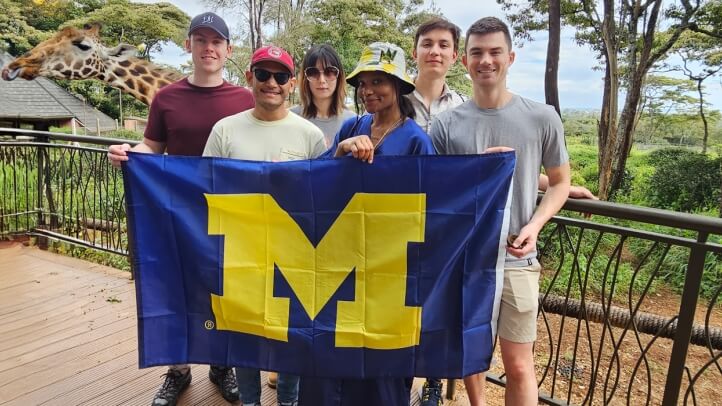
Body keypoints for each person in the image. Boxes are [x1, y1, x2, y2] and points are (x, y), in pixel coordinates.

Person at [107, 12, 253, 406]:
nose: (209, 48)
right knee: (175, 289)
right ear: (188, 45)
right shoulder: (166, 98)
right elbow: (152, 147)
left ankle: (223, 365)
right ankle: (179, 371)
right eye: (201, 40)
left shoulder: (245, 99)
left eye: (216, 41)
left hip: (230, 215)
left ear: (228, 49)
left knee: (225, 290)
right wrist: (126, 152)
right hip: (177, 213)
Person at [429, 17, 572, 406]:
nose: (486, 60)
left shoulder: (542, 117)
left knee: (519, 364)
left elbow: (559, 181)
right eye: (477, 52)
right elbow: (436, 190)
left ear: (510, 57)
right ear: (465, 61)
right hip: (467, 259)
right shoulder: (444, 126)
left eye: (494, 52)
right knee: (473, 354)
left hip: (517, 257)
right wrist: (476, 168)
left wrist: (536, 225)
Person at [297, 42, 435, 406]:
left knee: (381, 370)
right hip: (340, 265)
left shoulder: (416, 141)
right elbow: (318, 179)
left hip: (388, 274)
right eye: (364, 83)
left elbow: (433, 205)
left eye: (379, 81)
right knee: (331, 356)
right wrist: (340, 151)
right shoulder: (351, 125)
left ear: (399, 86)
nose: (369, 90)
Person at [203, 44, 326, 406]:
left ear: (292, 83)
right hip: (241, 254)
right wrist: (136, 161)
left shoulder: (309, 136)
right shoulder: (224, 131)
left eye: (281, 76)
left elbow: (325, 197)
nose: (271, 83)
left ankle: (288, 402)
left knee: (290, 336)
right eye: (263, 74)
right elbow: (202, 187)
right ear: (249, 77)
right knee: (245, 337)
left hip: (294, 255)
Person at [290, 44, 357, 146]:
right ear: (305, 78)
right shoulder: (290, 118)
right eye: (313, 72)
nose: (321, 80)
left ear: (339, 76)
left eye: (329, 72)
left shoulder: (354, 122)